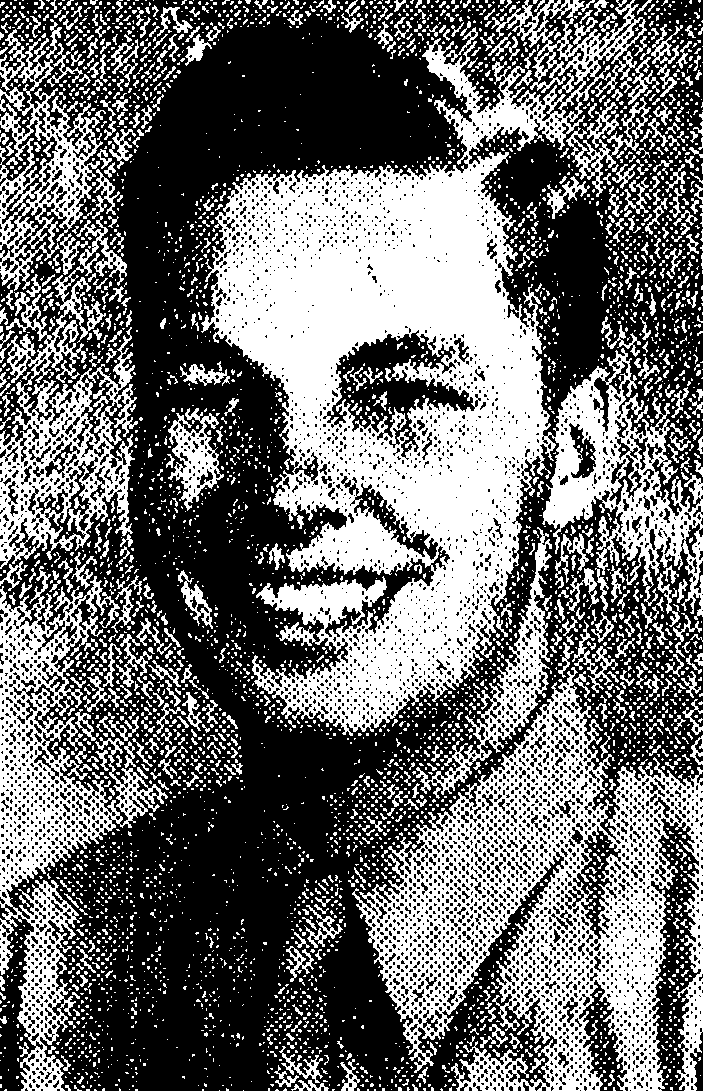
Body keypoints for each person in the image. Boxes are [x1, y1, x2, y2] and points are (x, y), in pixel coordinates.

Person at [4, 16, 702, 1091]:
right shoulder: (41, 969)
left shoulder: (682, 951)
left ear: (571, 453)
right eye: (212, 395)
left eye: (401, 396)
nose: (291, 487)